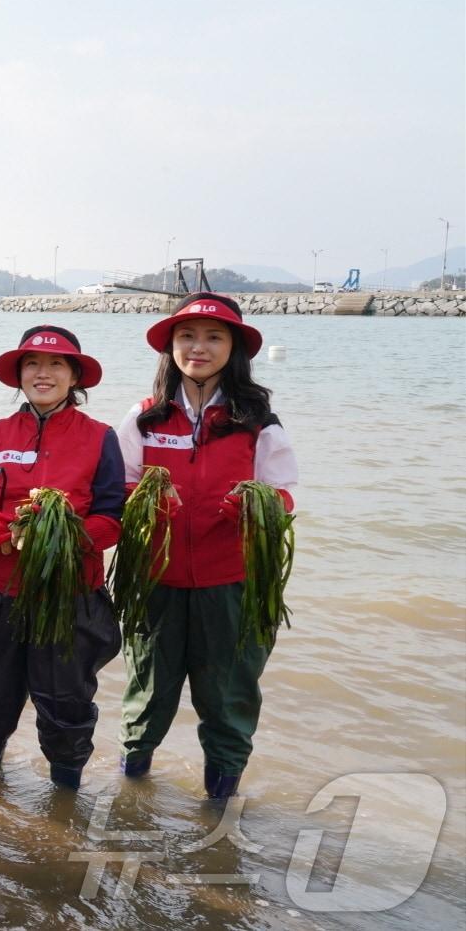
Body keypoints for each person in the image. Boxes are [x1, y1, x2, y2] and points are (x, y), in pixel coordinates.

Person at [116, 293, 298, 799]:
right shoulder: (146, 416)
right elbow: (120, 484)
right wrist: (146, 502)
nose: (199, 347)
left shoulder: (256, 417)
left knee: (228, 698)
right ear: (170, 347)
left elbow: (282, 490)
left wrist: (254, 505)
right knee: (148, 694)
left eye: (214, 337)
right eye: (187, 336)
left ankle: (221, 806)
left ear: (234, 348)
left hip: (232, 583)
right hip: (157, 581)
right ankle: (132, 796)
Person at [0, 326, 124, 789]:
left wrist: (66, 537)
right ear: (19, 375)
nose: (43, 373)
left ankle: (65, 801)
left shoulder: (99, 437)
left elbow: (112, 516)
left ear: (75, 376)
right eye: (32, 364)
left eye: (56, 364)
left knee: (66, 704)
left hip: (68, 597)